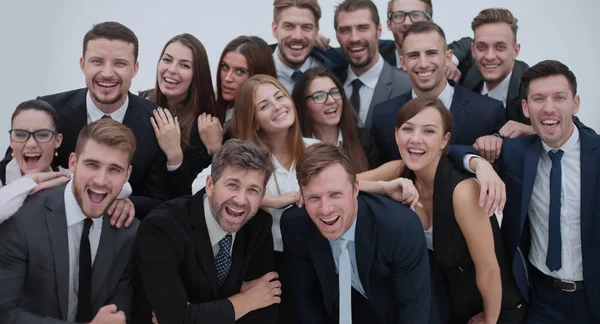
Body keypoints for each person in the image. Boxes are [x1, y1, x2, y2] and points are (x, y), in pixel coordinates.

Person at [451, 60, 600, 323]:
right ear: (525, 107)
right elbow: (455, 151)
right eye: (538, 99)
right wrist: (481, 164)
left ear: (575, 104)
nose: (548, 108)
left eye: (559, 98)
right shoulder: (518, 153)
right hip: (541, 300)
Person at [377, 97, 526, 322]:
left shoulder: (463, 192)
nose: (415, 139)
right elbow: (348, 186)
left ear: (444, 140)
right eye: (407, 129)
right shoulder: (399, 171)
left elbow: (489, 270)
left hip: (495, 309)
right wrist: (384, 187)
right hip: (451, 309)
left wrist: (490, 319)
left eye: (428, 131)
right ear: (396, 134)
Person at [191, 75, 319, 323]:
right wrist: (272, 200)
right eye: (264, 106)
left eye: (280, 97)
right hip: (265, 265)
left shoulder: (313, 147)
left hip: (312, 261)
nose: (277, 106)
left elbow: (344, 183)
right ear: (255, 122)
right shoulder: (247, 158)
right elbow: (200, 189)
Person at [0, 118, 140, 323]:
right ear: (73, 162)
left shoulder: (128, 231)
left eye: (114, 169)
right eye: (92, 165)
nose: (101, 180)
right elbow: (4, 313)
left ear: (127, 174)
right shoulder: (22, 219)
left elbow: (118, 314)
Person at [281, 142, 430, 323]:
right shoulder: (295, 224)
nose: (325, 209)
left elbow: (413, 310)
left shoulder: (399, 227)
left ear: (356, 189)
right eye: (314, 197)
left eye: (335, 194)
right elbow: (305, 301)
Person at [34, 21, 169, 218]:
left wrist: (130, 203)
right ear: (83, 64)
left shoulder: (158, 122)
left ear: (135, 68)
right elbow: (11, 169)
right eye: (97, 61)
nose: (107, 73)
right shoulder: (48, 111)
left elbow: (162, 197)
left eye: (119, 63)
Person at [137, 139, 279, 323]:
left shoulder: (259, 225)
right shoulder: (162, 227)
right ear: (210, 185)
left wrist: (195, 313)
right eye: (232, 185)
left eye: (253, 190)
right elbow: (175, 318)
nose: (241, 200)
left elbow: (265, 312)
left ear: (262, 195)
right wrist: (247, 300)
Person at [460, 8, 596, 161]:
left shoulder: (534, 86)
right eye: (482, 47)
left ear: (516, 51)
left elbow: (587, 135)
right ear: (473, 50)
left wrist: (534, 129)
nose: (490, 56)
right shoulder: (466, 74)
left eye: (500, 47)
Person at [372, 21, 505, 165]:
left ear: (448, 57)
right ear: (403, 63)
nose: (423, 63)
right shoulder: (383, 116)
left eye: (431, 53)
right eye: (414, 55)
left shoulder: (488, 112)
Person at [0, 99, 133, 227]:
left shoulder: (65, 176)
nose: (31, 144)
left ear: (57, 141)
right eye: (21, 134)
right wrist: (27, 182)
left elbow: (124, 187)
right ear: (11, 140)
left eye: (42, 134)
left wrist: (120, 200)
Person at [139, 33, 217, 192]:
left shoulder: (202, 126)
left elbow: (188, 195)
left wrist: (175, 155)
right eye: (167, 60)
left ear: (197, 76)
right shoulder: (140, 102)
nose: (172, 70)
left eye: (184, 65)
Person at [335, 0, 412, 129]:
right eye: (345, 30)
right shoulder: (333, 84)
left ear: (378, 30)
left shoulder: (408, 86)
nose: (354, 38)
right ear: (337, 35)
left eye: (362, 28)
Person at [292, 66, 373, 171]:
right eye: (319, 96)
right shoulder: (296, 147)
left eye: (334, 92)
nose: (331, 100)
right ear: (304, 106)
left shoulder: (365, 139)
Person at [382, 0, 470, 81]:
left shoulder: (444, 59)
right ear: (389, 24)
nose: (407, 22)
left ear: (430, 22)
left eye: (416, 15)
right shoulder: (379, 52)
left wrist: (447, 61)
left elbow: (469, 43)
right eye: (399, 15)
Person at [271, 0, 346, 94]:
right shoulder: (254, 71)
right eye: (289, 26)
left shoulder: (338, 63)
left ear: (316, 31)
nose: (298, 36)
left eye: (306, 27)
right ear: (274, 29)